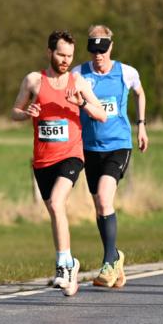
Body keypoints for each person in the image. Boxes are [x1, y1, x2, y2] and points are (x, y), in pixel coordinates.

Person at [12, 30, 108, 296]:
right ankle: (71, 266)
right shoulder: (33, 80)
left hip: (71, 154)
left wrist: (82, 105)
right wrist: (26, 112)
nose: (66, 60)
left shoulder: (78, 82)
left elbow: (101, 115)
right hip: (43, 159)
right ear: (49, 52)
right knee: (55, 212)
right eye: (61, 54)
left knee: (57, 202)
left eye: (70, 56)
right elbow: (14, 111)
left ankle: (62, 265)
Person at [72, 25, 149, 288]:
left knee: (105, 198)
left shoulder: (126, 72)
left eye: (102, 51)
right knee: (99, 206)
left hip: (118, 145)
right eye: (93, 51)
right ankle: (116, 258)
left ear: (111, 47)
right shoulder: (78, 74)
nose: (98, 56)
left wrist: (142, 125)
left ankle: (107, 263)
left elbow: (140, 93)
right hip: (89, 148)